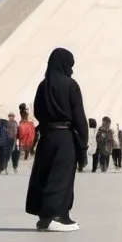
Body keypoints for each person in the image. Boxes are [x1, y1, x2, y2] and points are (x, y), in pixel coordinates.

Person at [25, 48, 88, 231]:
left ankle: (55, 214)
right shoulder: (71, 85)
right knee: (61, 175)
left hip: (47, 136)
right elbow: (78, 114)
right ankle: (52, 216)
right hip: (64, 137)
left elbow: (37, 111)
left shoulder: (43, 85)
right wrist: (83, 141)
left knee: (45, 174)